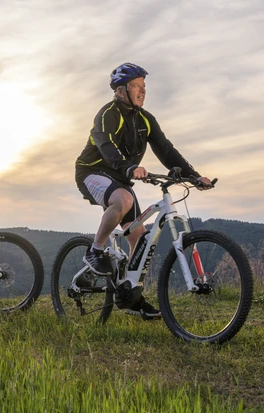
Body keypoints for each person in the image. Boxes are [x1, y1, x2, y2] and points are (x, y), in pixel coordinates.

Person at [75, 63, 214, 320]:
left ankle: (131, 296)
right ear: (120, 90)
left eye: (144, 87)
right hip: (92, 171)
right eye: (136, 86)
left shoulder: (145, 120)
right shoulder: (107, 115)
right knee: (124, 199)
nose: (142, 92)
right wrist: (129, 168)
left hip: (121, 178)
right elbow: (106, 147)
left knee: (139, 239)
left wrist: (194, 177)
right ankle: (95, 250)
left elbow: (167, 151)